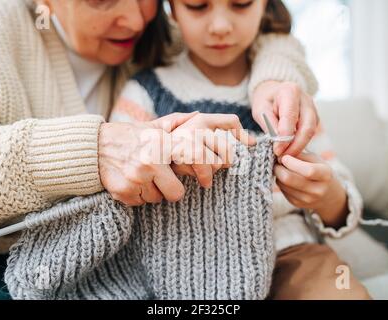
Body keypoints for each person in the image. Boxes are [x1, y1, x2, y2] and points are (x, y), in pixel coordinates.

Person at [0, 0, 319, 255]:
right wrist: (95, 150)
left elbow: (257, 36)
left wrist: (274, 77)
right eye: (102, 0)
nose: (136, 20)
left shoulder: (158, 38)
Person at [110, 0, 371, 299]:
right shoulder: (146, 91)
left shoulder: (287, 93)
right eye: (197, 6)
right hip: (182, 260)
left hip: (289, 250)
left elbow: (342, 205)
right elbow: (120, 186)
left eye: (241, 4)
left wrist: (328, 196)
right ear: (172, 9)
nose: (220, 26)